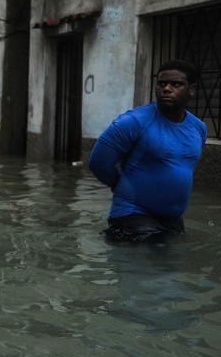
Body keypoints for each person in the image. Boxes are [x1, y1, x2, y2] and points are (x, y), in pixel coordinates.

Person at [88, 60, 207, 242]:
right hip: (134, 214)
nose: (166, 88)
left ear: (191, 90)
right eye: (161, 83)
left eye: (176, 84)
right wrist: (120, 186)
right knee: (152, 265)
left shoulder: (198, 128)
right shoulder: (133, 122)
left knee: (173, 266)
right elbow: (98, 162)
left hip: (172, 220)